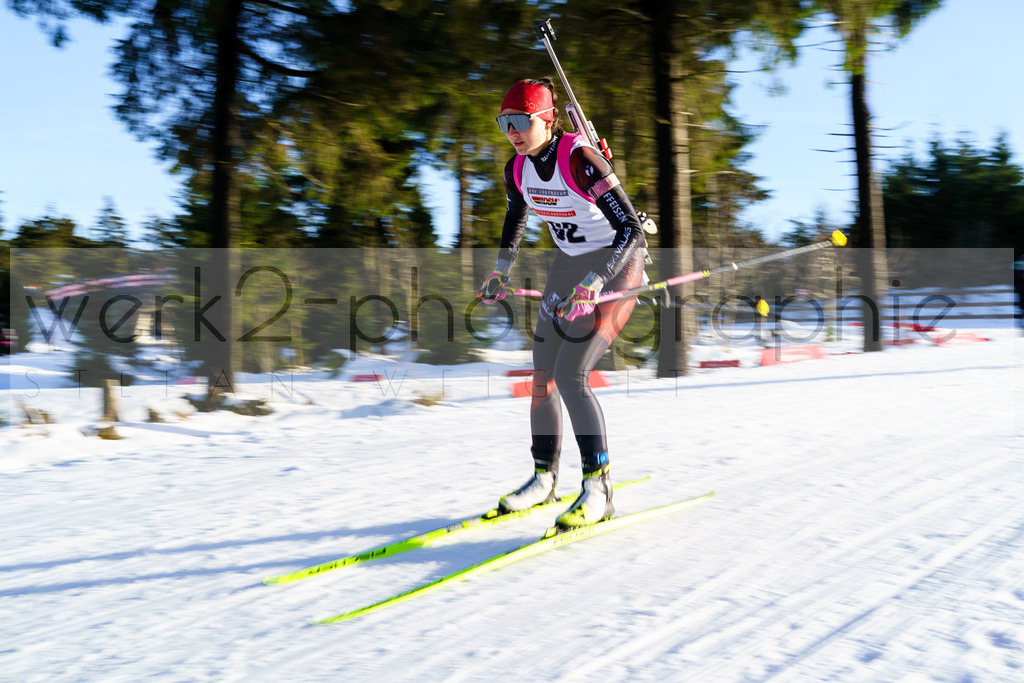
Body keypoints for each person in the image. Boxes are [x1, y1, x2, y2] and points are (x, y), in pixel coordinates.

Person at [479, 78, 646, 528]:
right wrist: (500, 270)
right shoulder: (517, 168)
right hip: (570, 265)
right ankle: (544, 479)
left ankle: (598, 489)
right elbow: (516, 215)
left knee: (572, 374)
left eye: (520, 121)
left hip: (618, 266)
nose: (512, 131)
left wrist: (596, 281)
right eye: (504, 122)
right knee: (542, 376)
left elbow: (633, 230)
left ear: (547, 119)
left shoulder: (579, 158)